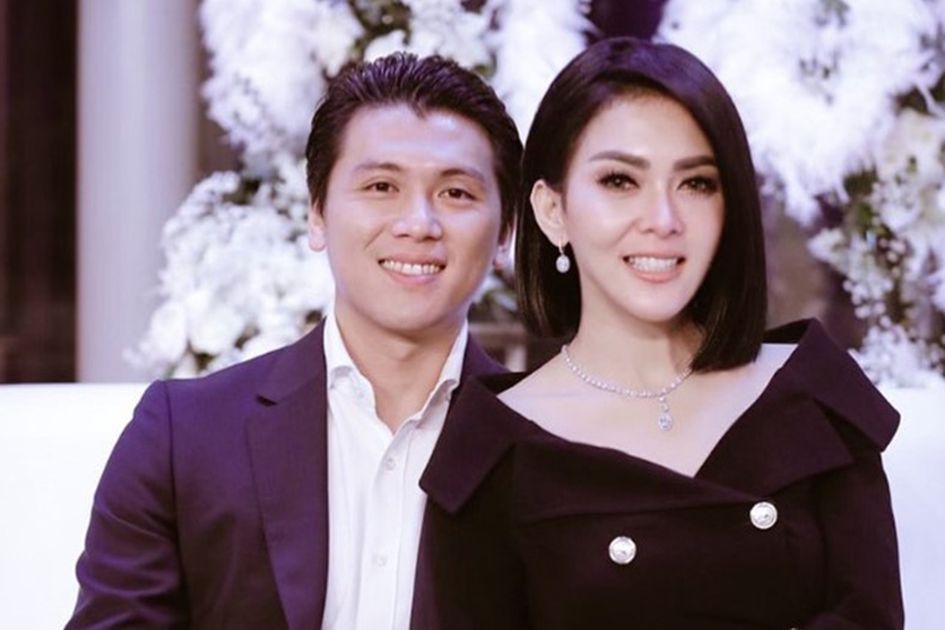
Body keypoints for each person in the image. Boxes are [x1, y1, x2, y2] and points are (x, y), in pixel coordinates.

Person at [415, 37, 903, 629]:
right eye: (620, 181)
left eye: (696, 184)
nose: (664, 221)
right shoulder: (493, 448)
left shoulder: (809, 396)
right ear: (552, 211)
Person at [67, 52, 522, 629]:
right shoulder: (183, 436)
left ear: (504, 232)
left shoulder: (545, 440)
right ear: (317, 213)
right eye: (381, 186)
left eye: (456, 193)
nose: (418, 224)